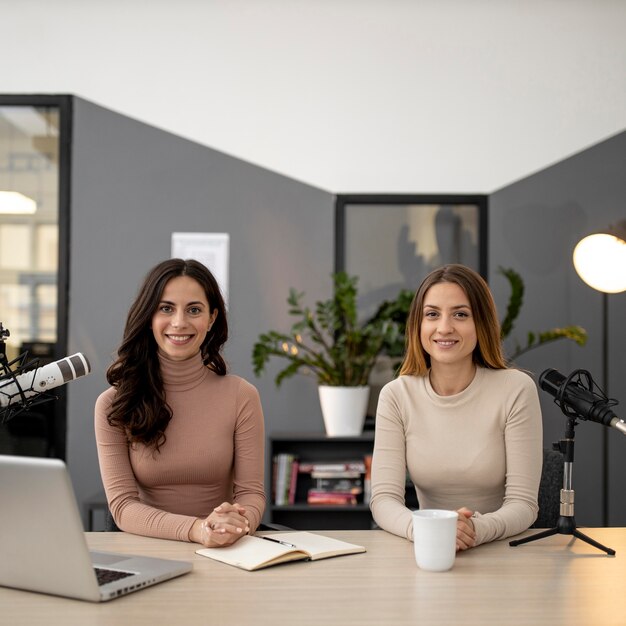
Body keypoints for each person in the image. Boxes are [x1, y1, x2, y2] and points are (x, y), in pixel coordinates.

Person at [370, 264, 542, 551]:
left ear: (481, 323)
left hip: (501, 553)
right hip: (426, 550)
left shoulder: (516, 389)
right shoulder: (397, 395)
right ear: (418, 325)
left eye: (460, 314)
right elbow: (384, 500)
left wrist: (473, 529)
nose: (444, 327)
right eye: (432, 314)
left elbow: (523, 505)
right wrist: (427, 530)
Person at [95, 258, 265, 548]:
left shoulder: (241, 395)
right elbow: (123, 507)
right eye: (166, 308)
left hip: (224, 550)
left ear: (211, 318)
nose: (179, 322)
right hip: (147, 550)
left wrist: (236, 523)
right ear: (149, 316)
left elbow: (251, 494)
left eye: (194, 310)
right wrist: (198, 529)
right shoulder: (114, 403)